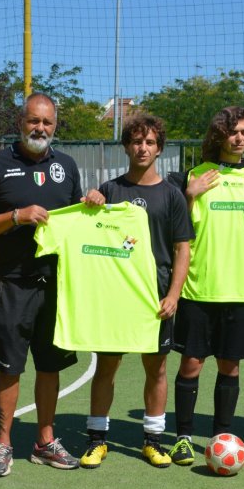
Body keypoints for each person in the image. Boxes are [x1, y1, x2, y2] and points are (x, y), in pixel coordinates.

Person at [0, 93, 103, 476]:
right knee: (10, 367)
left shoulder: (66, 164)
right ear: (20, 123)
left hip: (58, 285)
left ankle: (45, 441)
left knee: (50, 366)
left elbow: (77, 216)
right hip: (14, 281)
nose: (40, 128)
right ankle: (2, 444)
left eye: (46, 123)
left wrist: (90, 201)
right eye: (33, 121)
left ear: (55, 126)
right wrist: (16, 216)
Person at [76, 113, 194, 469]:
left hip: (155, 293)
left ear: (159, 149)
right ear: (126, 146)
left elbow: (181, 249)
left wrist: (173, 294)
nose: (142, 148)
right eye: (136, 141)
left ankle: (153, 440)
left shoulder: (172, 195)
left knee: (156, 367)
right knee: (107, 365)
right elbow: (90, 236)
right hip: (117, 293)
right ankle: (97, 439)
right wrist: (90, 204)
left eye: (150, 142)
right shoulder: (111, 190)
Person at [169, 106, 244, 466]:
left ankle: (221, 434)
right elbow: (176, 229)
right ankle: (182, 436)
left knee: (230, 367)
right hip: (199, 288)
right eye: (233, 132)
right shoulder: (195, 177)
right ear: (218, 136)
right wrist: (189, 195)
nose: (239, 137)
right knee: (191, 365)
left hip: (239, 289)